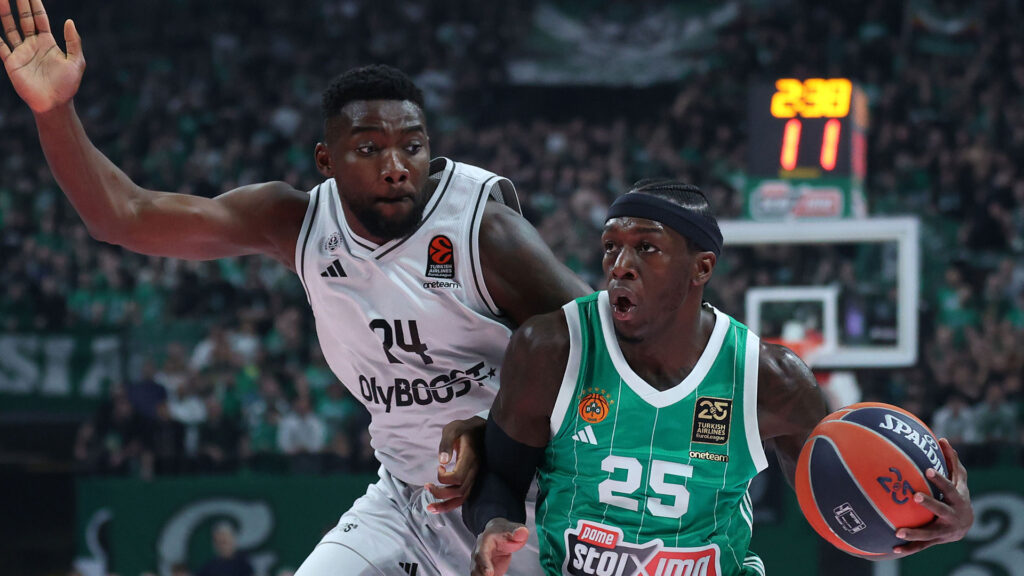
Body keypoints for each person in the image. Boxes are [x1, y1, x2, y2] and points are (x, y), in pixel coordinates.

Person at [0, 2, 589, 574]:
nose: (395, 165)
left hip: (520, 503)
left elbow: (606, 348)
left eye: (412, 146)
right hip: (406, 504)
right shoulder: (297, 224)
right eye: (369, 149)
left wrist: (494, 436)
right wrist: (55, 112)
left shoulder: (480, 230)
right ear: (326, 160)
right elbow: (123, 216)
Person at [464, 179, 976, 576]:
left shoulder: (769, 379)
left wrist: (938, 521)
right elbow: (499, 478)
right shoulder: (552, 349)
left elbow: (842, 498)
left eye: (646, 248)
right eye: (611, 246)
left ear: (701, 268)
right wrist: (494, 523)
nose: (620, 265)